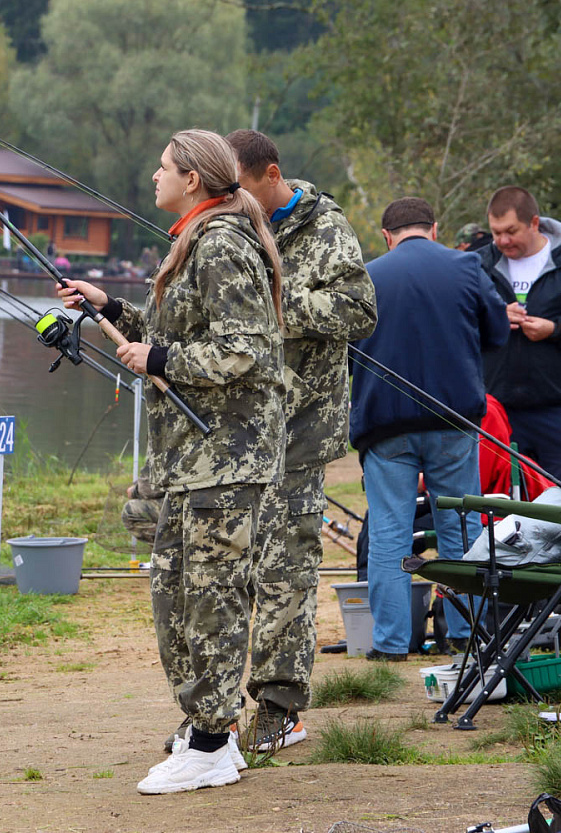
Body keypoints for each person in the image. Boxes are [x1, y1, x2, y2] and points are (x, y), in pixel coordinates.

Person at [56, 128, 286, 795]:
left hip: (224, 458)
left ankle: (212, 743)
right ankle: (206, 730)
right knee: (178, 595)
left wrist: (160, 360)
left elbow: (249, 352)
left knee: (207, 601)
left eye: (163, 167)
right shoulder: (201, 239)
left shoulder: (219, 244)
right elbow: (184, 335)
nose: (153, 175)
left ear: (192, 178)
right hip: (196, 460)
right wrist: (111, 309)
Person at [226, 128, 377, 751]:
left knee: (287, 566)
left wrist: (280, 304)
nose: (231, 198)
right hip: (237, 430)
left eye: (237, 186)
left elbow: (361, 312)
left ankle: (280, 707)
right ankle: (214, 713)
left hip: (301, 427)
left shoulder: (326, 227)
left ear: (270, 174)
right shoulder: (228, 228)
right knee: (231, 567)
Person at [351, 197, 509, 660]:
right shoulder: (465, 265)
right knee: (460, 530)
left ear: (386, 235)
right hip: (453, 422)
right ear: (434, 229)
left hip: (385, 427)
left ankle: (391, 644)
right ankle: (463, 634)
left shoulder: (368, 275)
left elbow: (345, 351)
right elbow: (497, 334)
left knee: (389, 535)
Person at [479, 186, 561, 489]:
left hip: (559, 407)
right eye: (495, 232)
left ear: (535, 223)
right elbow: (457, 325)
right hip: (496, 411)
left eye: (511, 231)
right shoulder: (477, 265)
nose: (502, 241)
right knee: (497, 512)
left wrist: (556, 329)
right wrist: (494, 318)